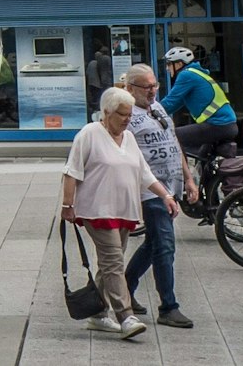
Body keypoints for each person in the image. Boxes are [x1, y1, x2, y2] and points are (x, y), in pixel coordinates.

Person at [62, 87, 181, 340]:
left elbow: (144, 172)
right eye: (122, 114)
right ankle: (126, 316)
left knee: (110, 264)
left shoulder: (128, 138)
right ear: (106, 113)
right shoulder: (89, 134)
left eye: (129, 114)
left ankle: (97, 313)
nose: (127, 119)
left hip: (125, 209)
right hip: (98, 210)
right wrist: (67, 205)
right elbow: (71, 172)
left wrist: (165, 196)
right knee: (114, 262)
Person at [120, 64, 198, 329]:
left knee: (153, 243)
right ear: (130, 89)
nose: (152, 91)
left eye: (155, 85)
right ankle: (168, 306)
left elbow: (173, 142)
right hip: (150, 191)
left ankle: (124, 289)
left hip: (171, 187)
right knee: (165, 245)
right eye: (147, 87)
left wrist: (188, 178)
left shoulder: (159, 108)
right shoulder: (126, 116)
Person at [157, 46, 237, 158]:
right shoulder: (197, 73)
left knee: (172, 136)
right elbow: (175, 104)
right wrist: (159, 113)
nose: (167, 68)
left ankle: (183, 174)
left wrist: (150, 112)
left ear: (179, 64)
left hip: (218, 124)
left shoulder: (186, 75)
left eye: (169, 64)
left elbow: (170, 101)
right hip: (226, 125)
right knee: (202, 157)